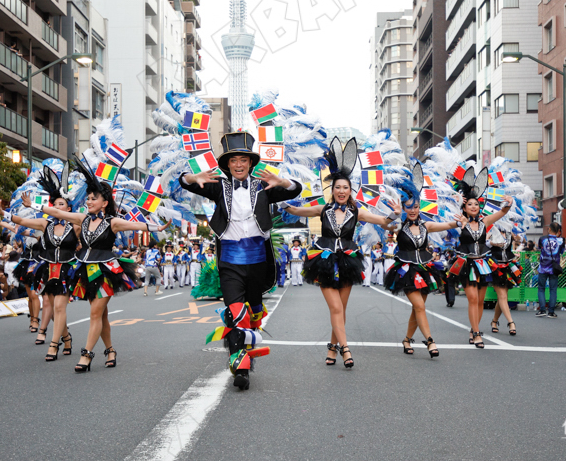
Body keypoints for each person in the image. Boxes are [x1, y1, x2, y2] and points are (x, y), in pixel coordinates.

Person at [180, 131, 303, 390]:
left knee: (254, 313)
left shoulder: (263, 186)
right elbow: (185, 182)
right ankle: (241, 366)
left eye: (243, 160)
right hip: (230, 261)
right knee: (237, 314)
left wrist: (283, 182)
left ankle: (243, 353)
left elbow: (295, 191)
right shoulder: (219, 186)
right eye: (233, 160)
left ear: (251, 164)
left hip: (258, 261)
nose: (238, 164)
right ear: (227, 164)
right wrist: (194, 177)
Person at [43, 156, 165, 373]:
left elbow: (136, 225)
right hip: (85, 270)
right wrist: (44, 205)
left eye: (93, 198)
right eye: (88, 198)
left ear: (105, 203)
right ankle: (110, 350)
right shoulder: (82, 219)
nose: (89, 201)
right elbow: (57, 212)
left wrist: (158, 229)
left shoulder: (113, 222)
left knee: (95, 314)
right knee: (102, 314)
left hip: (107, 271)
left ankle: (86, 355)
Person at [284, 137, 398, 368]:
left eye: (345, 187)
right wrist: (278, 198)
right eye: (338, 187)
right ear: (332, 190)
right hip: (323, 260)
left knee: (341, 310)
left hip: (348, 261)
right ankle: (346, 349)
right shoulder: (322, 209)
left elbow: (385, 222)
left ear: (350, 190)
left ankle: (332, 349)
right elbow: (296, 209)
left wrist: (395, 214)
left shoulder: (358, 211)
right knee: (335, 308)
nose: (342, 191)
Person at [3, 165, 79, 361]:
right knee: (53, 309)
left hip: (66, 270)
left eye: (61, 204)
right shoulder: (45, 224)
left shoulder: (76, 226)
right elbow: (21, 221)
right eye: (55, 204)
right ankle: (66, 337)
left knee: (60, 307)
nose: (57, 207)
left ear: (69, 208)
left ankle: (54, 345)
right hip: (48, 269)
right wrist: (4, 214)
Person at [384, 164, 458, 358]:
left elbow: (448, 224)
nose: (413, 210)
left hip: (425, 269)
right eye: (408, 206)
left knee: (418, 309)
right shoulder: (398, 226)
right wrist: (395, 214)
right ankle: (430, 341)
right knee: (420, 307)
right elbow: (386, 224)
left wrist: (459, 222)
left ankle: (407, 339)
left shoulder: (426, 225)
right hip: (406, 272)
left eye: (416, 206)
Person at [443, 168, 514, 348]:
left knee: (480, 300)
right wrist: (461, 224)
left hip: (484, 263)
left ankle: (473, 329)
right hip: (467, 264)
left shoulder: (485, 222)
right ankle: (476, 333)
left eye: (476, 204)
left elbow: (503, 213)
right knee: (472, 299)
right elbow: (449, 229)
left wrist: (509, 203)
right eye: (470, 204)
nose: (474, 207)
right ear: (465, 207)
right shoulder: (460, 222)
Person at [488, 228, 521, 337]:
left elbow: (515, 243)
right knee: (502, 296)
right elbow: (482, 244)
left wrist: (515, 251)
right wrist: (490, 242)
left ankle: (494, 321)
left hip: (507, 267)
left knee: (503, 297)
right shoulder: (490, 230)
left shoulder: (508, 232)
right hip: (495, 267)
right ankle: (511, 323)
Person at [537, 222, 564, 318]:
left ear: (549, 229)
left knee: (541, 289)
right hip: (554, 268)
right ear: (558, 231)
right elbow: (561, 252)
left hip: (543, 268)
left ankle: (542, 310)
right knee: (553, 290)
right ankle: (551, 312)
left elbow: (539, 249)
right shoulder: (561, 240)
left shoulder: (542, 239)